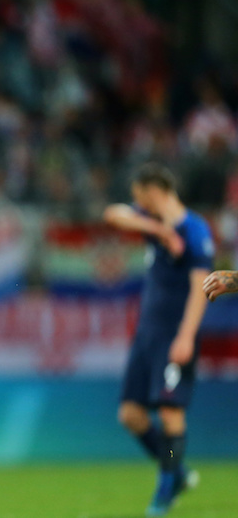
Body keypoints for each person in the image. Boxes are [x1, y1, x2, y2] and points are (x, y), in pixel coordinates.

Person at [102, 163, 213, 517]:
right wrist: (159, 231)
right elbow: (112, 214)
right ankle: (176, 471)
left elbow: (200, 288)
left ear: (154, 191)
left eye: (140, 197)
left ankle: (165, 488)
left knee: (169, 412)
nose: (138, 204)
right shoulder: (154, 223)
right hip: (147, 335)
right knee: (130, 415)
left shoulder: (195, 230)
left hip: (174, 336)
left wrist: (186, 336)